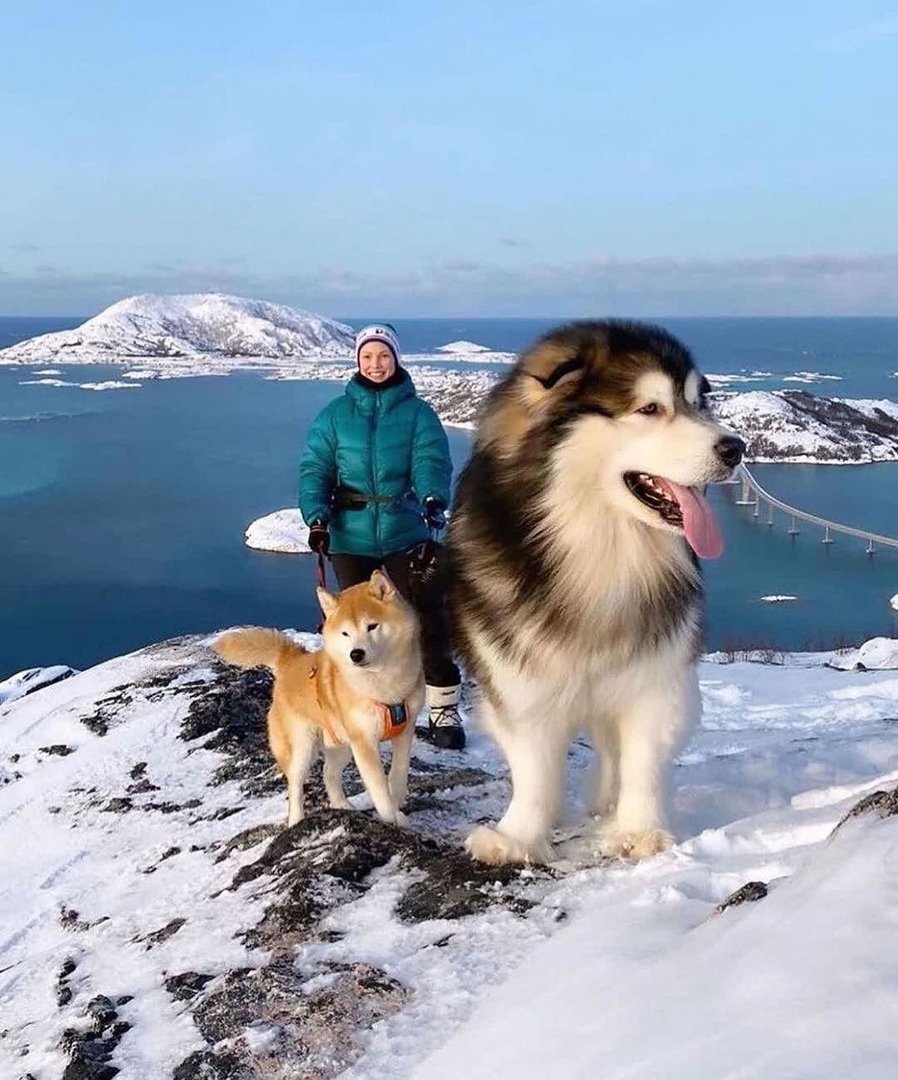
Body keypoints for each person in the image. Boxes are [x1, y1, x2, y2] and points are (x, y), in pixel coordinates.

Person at [298, 323, 465, 750]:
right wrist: (316, 516)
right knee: (357, 630)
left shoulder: (418, 414)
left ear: (396, 359)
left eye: (384, 356)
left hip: (403, 531)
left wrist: (431, 497)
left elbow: (432, 459)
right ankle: (371, 709)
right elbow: (315, 467)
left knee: (425, 618)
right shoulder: (335, 415)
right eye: (368, 356)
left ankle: (444, 708)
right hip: (349, 534)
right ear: (357, 360)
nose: (376, 364)